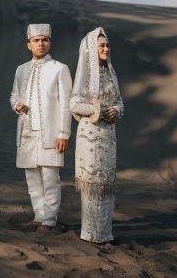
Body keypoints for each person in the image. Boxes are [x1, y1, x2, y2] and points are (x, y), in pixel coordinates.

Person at [10, 24, 73, 233]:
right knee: (32, 178)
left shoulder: (59, 68)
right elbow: (14, 95)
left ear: (50, 43)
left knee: (50, 178)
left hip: (51, 133)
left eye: (44, 40)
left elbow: (66, 104)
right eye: (36, 40)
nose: (40, 43)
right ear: (29, 44)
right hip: (27, 131)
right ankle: (38, 216)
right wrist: (16, 104)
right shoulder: (21, 69)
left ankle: (49, 220)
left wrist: (63, 134)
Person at [70, 27, 124, 244]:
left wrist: (116, 110)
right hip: (90, 137)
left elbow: (119, 101)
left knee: (106, 183)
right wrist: (97, 110)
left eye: (107, 45)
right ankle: (90, 234)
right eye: (101, 45)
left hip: (109, 137)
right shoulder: (85, 75)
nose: (106, 48)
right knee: (92, 183)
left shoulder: (111, 74)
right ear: (91, 49)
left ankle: (105, 234)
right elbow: (74, 104)